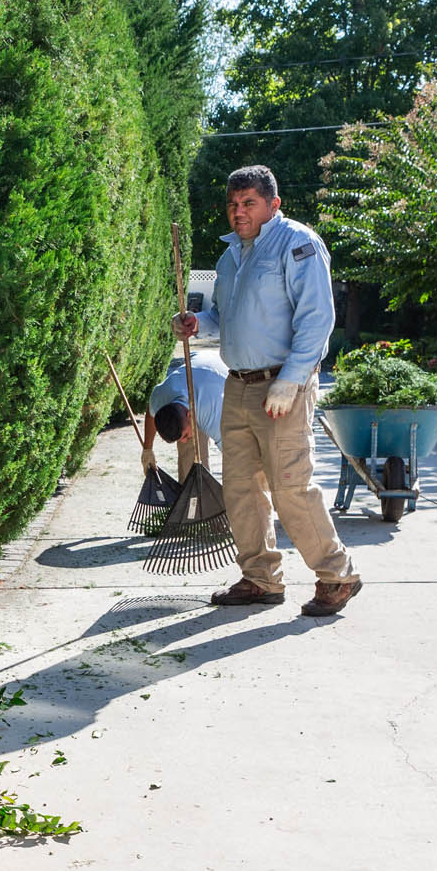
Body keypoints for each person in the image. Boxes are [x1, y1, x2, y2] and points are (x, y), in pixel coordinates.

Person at [174, 165, 361, 616]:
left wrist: (292, 380)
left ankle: (338, 575)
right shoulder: (230, 255)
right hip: (237, 385)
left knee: (291, 486)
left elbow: (317, 319)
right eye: (233, 205)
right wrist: (199, 325)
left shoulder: (297, 244)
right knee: (241, 490)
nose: (238, 213)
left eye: (248, 204)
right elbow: (225, 316)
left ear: (273, 204)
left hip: (283, 387)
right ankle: (261, 579)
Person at [144, 349, 228, 480]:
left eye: (183, 436)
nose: (182, 440)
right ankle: (192, 493)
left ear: (190, 415)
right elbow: (151, 412)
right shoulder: (161, 397)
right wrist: (147, 449)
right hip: (193, 369)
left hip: (223, 371)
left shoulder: (213, 415)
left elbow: (233, 454)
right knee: (190, 452)